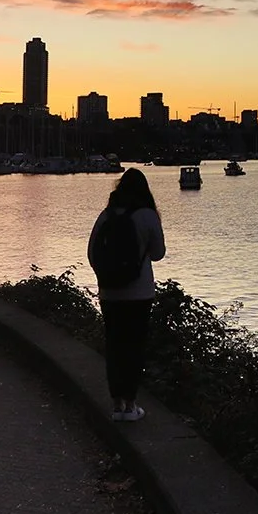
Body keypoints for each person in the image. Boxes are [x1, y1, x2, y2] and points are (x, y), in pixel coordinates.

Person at [86, 167, 166, 422]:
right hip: (140, 294)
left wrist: (107, 275)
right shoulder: (147, 215)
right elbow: (158, 253)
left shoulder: (106, 216)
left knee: (114, 346)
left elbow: (92, 253)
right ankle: (131, 404)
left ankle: (117, 404)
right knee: (134, 347)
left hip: (109, 293)